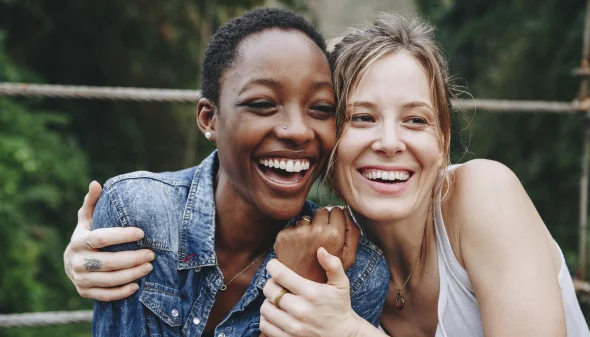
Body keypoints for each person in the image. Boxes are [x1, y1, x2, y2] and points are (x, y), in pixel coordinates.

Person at [257, 13, 590, 337]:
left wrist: (349, 332)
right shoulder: (336, 255)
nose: (389, 143)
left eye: (415, 120)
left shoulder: (485, 193)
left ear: (443, 140)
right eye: (362, 118)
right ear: (328, 139)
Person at [63, 7, 390, 336]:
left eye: (321, 108)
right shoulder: (138, 215)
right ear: (209, 119)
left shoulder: (352, 271)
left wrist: (302, 285)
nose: (298, 131)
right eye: (262, 104)